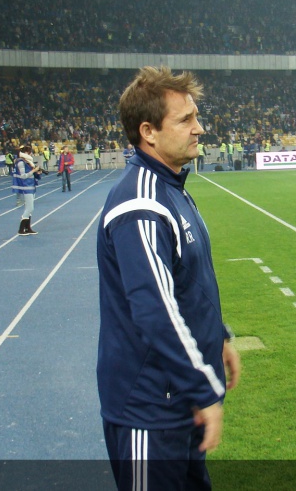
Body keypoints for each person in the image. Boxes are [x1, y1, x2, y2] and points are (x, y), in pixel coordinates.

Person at [97, 66, 241, 491]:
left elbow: (187, 283)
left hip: (178, 404)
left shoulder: (171, 188)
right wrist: (203, 389)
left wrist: (218, 336)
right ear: (149, 132)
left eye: (196, 116)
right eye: (185, 119)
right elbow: (154, 309)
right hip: (151, 412)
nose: (200, 128)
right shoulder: (141, 203)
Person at [12, 144, 42, 235]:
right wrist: (33, 171)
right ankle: (21, 229)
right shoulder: (21, 162)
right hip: (26, 187)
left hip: (30, 186)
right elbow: (23, 176)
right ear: (25, 152)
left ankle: (28, 228)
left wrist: (37, 173)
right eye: (29, 152)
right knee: (29, 208)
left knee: (30, 209)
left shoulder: (27, 162)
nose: (31, 154)